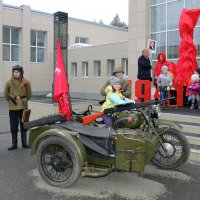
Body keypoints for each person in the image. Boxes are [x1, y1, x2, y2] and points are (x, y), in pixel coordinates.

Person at [4, 65, 32, 150]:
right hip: (13, 106)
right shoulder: (9, 82)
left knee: (24, 124)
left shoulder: (26, 82)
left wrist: (24, 100)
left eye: (17, 72)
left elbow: (29, 94)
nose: (16, 73)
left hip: (23, 106)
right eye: (14, 72)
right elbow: (6, 94)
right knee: (13, 126)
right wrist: (11, 101)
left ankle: (24, 142)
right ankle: (14, 143)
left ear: (21, 73)